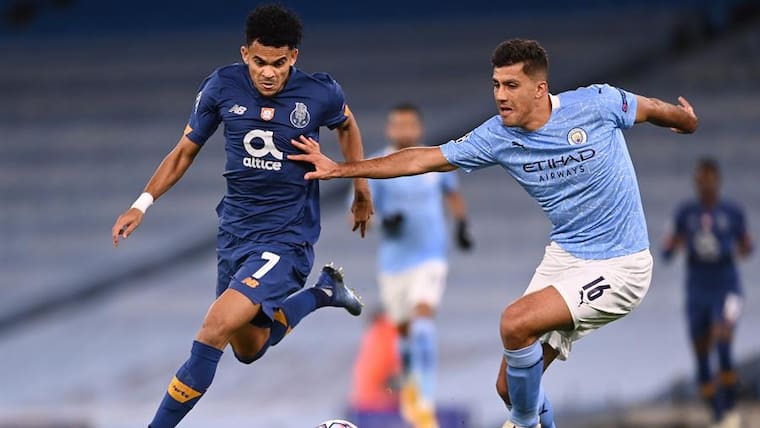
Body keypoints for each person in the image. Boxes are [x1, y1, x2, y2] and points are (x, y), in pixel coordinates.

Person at [289, 38, 699, 428]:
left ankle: (521, 424)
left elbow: (650, 108)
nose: (500, 95)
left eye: (511, 86)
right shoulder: (497, 136)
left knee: (515, 323)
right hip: (566, 257)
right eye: (496, 85)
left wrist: (684, 120)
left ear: (540, 89)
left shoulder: (595, 103)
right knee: (510, 387)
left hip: (622, 264)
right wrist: (341, 169)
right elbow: (421, 160)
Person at [110, 5, 373, 427]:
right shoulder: (221, 86)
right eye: (259, 62)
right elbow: (184, 152)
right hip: (235, 232)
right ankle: (324, 292)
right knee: (249, 348)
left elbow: (347, 125)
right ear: (245, 53)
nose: (268, 73)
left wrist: (360, 187)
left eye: (279, 63)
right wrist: (142, 203)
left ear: (294, 58)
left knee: (214, 326)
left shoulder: (319, 93)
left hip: (286, 237)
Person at [366, 103, 472, 428]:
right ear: (389, 129)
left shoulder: (434, 160)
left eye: (409, 124)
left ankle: (424, 402)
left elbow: (452, 193)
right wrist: (383, 220)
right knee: (403, 333)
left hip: (430, 257)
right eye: (398, 125)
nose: (404, 130)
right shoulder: (377, 166)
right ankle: (411, 386)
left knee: (422, 321)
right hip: (393, 263)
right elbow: (359, 213)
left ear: (418, 128)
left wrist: (461, 224)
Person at [663, 158, 752, 428]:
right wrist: (673, 245)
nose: (704, 185)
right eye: (700, 180)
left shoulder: (732, 212)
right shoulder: (685, 213)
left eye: (708, 179)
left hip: (727, 287)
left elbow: (747, 245)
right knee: (702, 353)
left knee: (723, 340)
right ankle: (717, 413)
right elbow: (667, 249)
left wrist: (736, 249)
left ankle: (730, 406)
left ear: (717, 180)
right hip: (697, 290)